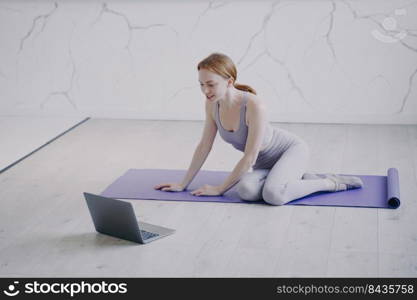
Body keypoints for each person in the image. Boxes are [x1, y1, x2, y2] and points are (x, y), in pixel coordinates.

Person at [154, 53, 363, 205]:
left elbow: (250, 156)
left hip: (290, 151)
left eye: (210, 84)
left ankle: (330, 183)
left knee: (274, 195)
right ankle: (295, 178)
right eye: (201, 84)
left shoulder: (254, 105)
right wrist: (183, 184)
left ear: (229, 81)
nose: (205, 91)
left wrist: (219, 189)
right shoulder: (212, 103)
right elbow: (204, 146)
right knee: (245, 190)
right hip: (263, 164)